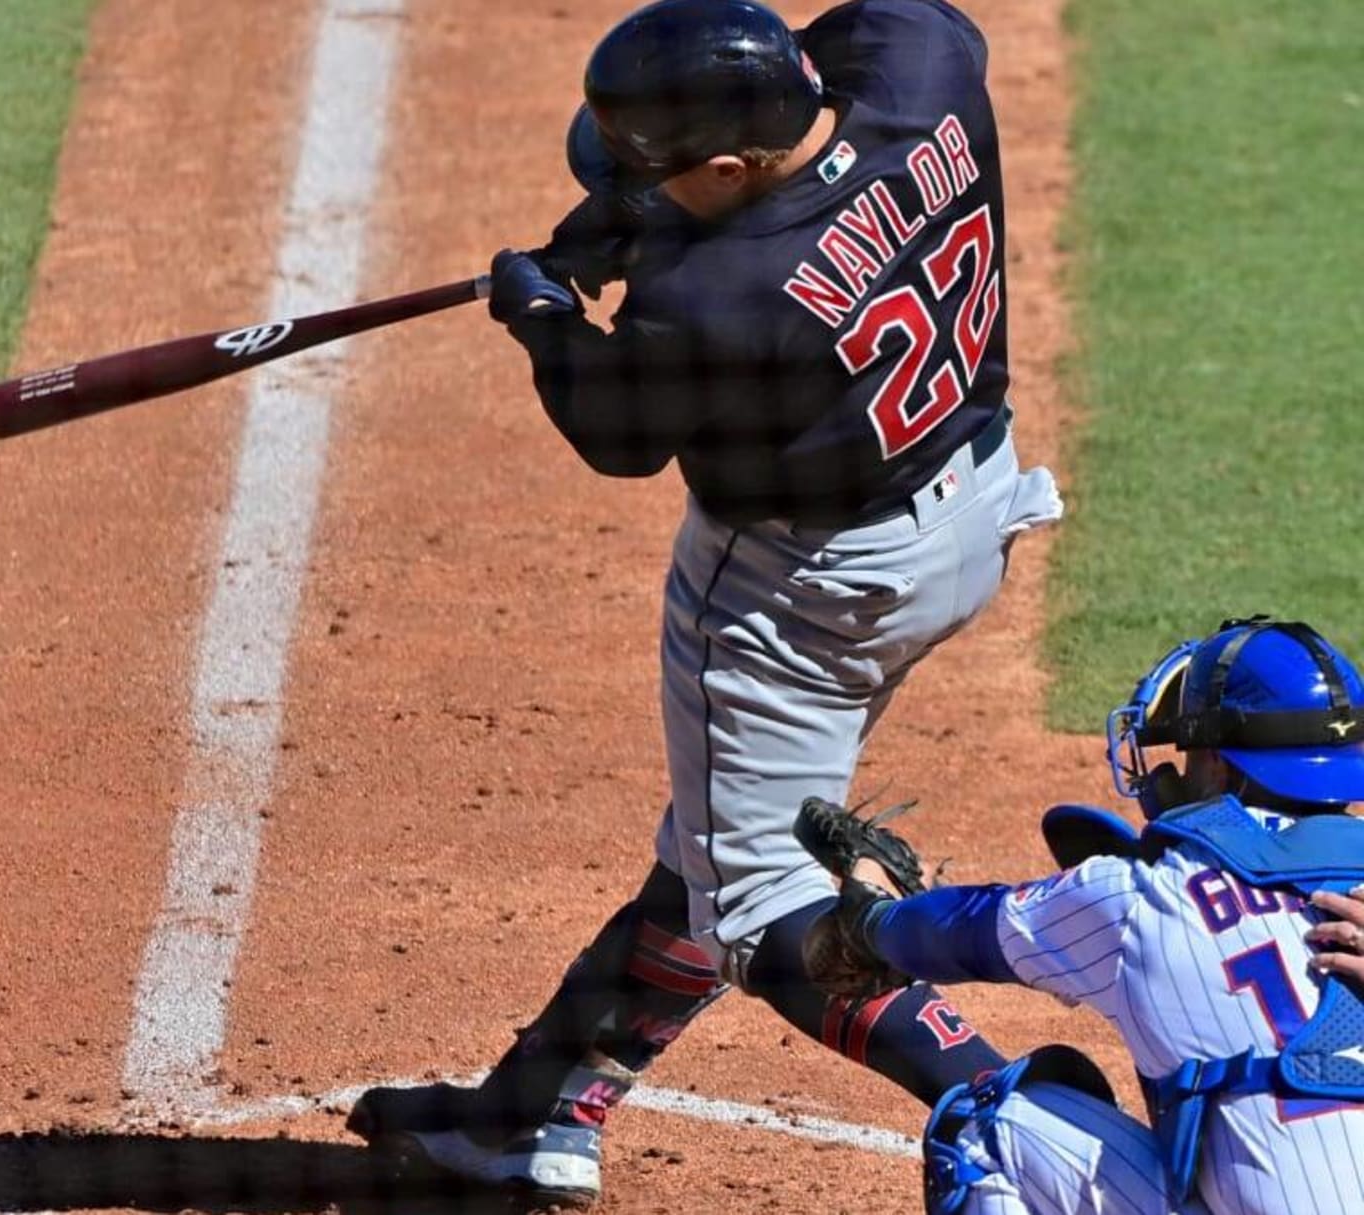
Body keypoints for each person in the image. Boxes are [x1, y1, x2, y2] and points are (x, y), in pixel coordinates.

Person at [348, 0, 1062, 1206]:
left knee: (759, 907)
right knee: (719, 842)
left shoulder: (723, 297)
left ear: (731, 168)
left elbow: (616, 433)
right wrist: (637, 212)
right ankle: (533, 1113)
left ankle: (1030, 1118)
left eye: (656, 170)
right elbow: (877, 37)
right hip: (971, 512)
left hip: (804, 600)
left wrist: (544, 313)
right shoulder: (921, 69)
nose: (636, 183)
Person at [806, 617, 1364, 1214]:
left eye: (1191, 752)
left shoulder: (1144, 897)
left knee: (988, 1129)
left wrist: (871, 922)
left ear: (1221, 770)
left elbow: (959, 932)